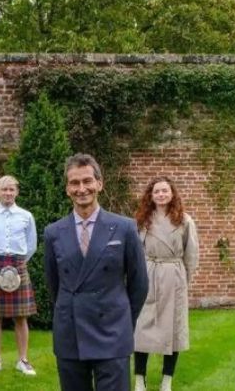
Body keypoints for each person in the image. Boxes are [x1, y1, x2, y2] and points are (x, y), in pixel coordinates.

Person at [43, 153, 148, 391]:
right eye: (74, 183)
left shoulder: (124, 228)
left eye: (87, 181)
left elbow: (139, 284)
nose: (82, 188)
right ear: (67, 188)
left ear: (99, 184)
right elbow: (54, 285)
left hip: (112, 332)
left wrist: (121, 321)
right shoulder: (53, 232)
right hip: (70, 334)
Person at [131, 177, 199, 391]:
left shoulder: (185, 220)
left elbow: (191, 253)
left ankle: (167, 380)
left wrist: (184, 280)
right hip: (149, 274)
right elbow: (135, 252)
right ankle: (139, 379)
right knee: (142, 327)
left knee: (174, 330)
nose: (161, 194)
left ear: (172, 194)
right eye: (157, 191)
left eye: (165, 191)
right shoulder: (142, 220)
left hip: (174, 276)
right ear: (151, 195)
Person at [0, 175, 38, 375]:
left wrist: (19, 264)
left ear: (17, 192)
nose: (8, 193)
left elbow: (32, 245)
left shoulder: (26, 216)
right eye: (4, 189)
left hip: (19, 265)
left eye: (11, 190)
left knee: (22, 317)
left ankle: (23, 360)